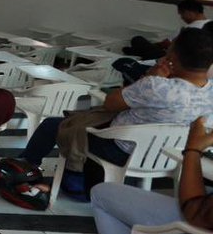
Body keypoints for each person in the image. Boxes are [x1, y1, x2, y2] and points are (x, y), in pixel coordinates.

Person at [22, 28, 213, 198]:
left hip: (119, 149)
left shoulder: (156, 86)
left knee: (53, 125)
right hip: (168, 155)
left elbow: (111, 103)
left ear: (175, 56)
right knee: (84, 122)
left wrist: (152, 75)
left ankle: (27, 168)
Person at [124, 0, 209, 61]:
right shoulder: (210, 24)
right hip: (202, 59)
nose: (182, 18)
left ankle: (136, 51)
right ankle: (137, 51)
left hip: (177, 58)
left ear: (188, 12)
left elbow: (166, 44)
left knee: (137, 39)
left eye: (181, 14)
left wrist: (155, 45)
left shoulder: (188, 28)